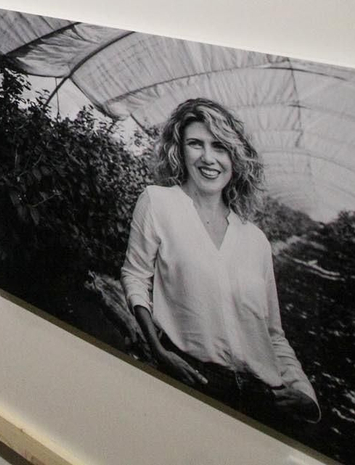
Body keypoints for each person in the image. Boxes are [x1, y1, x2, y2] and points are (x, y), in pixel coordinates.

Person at [120, 98, 319, 428]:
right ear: (179, 151)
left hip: (260, 398)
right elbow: (135, 275)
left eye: (220, 147)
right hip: (192, 379)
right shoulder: (159, 202)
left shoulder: (255, 240)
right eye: (196, 144)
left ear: (235, 157)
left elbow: (272, 331)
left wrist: (304, 392)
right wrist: (158, 350)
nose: (208, 158)